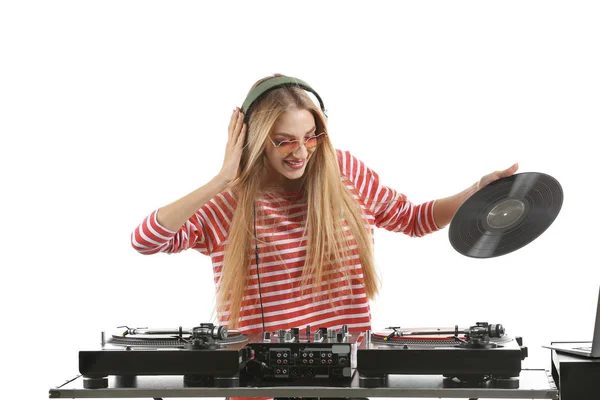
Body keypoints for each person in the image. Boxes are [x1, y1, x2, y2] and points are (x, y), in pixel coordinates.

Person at [131, 74, 518, 335]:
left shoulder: (344, 170)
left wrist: (476, 190)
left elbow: (411, 219)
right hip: (259, 383)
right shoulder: (226, 201)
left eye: (310, 136)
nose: (301, 152)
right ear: (253, 137)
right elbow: (146, 239)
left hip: (347, 375)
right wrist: (220, 181)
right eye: (283, 140)